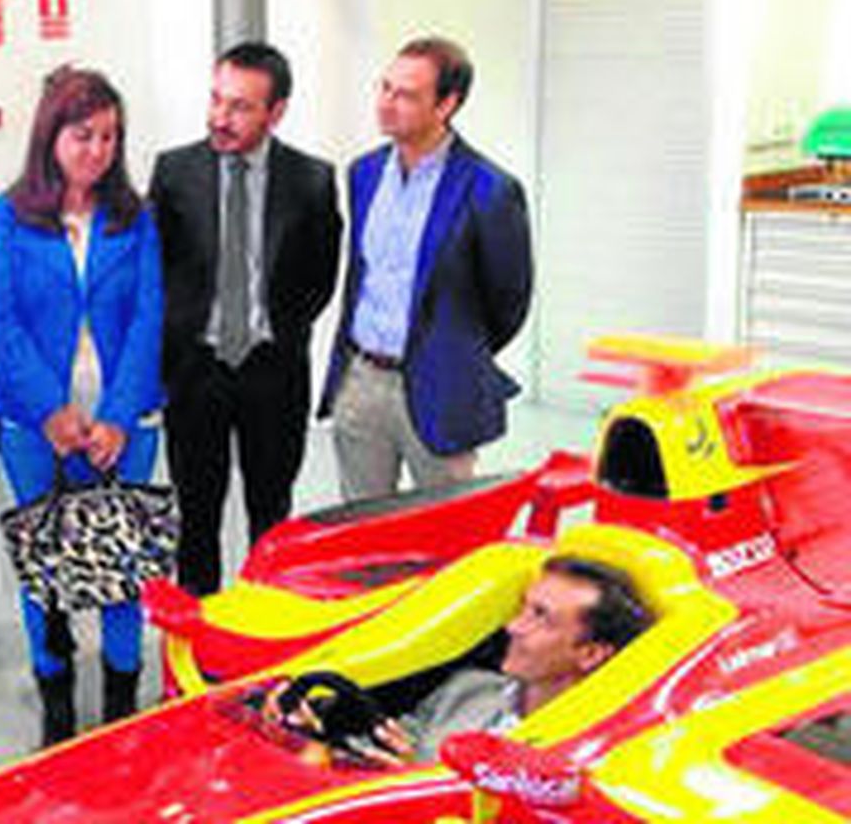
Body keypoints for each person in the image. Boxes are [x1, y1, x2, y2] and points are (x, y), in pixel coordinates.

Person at [0, 66, 163, 747]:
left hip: (126, 420)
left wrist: (116, 414)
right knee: (45, 561)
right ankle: (56, 699)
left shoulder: (135, 219)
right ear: (51, 134)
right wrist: (53, 410)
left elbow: (149, 318)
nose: (97, 149)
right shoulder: (8, 215)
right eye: (83, 134)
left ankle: (121, 698)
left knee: (120, 562)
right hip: (36, 423)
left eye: (110, 136)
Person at [149, 42, 343, 597]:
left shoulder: (311, 181)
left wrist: (277, 330)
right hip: (195, 373)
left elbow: (320, 278)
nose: (219, 117)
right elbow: (158, 269)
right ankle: (200, 638)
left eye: (239, 107)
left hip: (272, 375)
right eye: (215, 99)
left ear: (275, 112)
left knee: (271, 515)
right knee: (197, 516)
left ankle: (263, 631)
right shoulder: (175, 171)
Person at [319, 36, 534, 502]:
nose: (387, 104)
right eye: (385, 88)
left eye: (407, 95)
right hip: (361, 381)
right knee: (360, 539)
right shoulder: (364, 174)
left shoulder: (490, 190)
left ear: (447, 105)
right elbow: (360, 275)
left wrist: (454, 350)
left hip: (442, 389)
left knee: (447, 539)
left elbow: (509, 303)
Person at [268, 555, 650, 765]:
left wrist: (417, 782)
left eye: (541, 617)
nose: (514, 627)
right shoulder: (466, 690)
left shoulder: (591, 760)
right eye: (523, 608)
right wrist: (312, 728)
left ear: (591, 653)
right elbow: (393, 743)